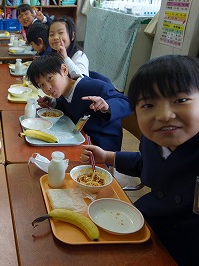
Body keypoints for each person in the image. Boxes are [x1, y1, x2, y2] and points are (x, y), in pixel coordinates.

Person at [80, 55, 199, 265]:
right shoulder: (153, 140)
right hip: (147, 224)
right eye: (148, 105)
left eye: (180, 100)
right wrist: (106, 156)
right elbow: (146, 164)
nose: (164, 115)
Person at [26, 53, 130, 151]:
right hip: (78, 139)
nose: (48, 87)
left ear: (64, 70)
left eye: (50, 78)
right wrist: (53, 103)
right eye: (41, 85)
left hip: (101, 146)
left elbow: (127, 102)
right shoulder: (63, 92)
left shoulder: (95, 88)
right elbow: (69, 105)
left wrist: (107, 106)